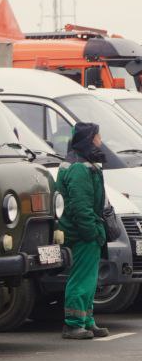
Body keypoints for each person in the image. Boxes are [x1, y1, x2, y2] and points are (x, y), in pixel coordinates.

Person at [57, 122, 108, 340]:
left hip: (82, 231)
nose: (100, 141)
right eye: (98, 137)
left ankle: (86, 321)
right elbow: (81, 207)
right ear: (89, 139)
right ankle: (74, 324)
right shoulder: (79, 167)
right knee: (81, 278)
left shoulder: (78, 162)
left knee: (88, 278)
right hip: (82, 233)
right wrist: (92, 232)